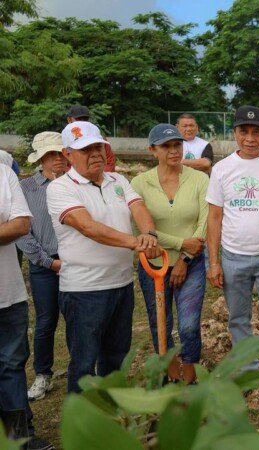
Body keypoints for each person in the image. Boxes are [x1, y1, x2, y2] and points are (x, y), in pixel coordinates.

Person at [47, 121, 162, 394]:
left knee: (116, 358)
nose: (95, 153)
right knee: (84, 363)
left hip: (121, 286)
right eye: (86, 149)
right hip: (84, 290)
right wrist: (136, 242)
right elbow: (88, 227)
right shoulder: (61, 188)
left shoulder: (117, 180)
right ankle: (84, 425)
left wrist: (150, 234)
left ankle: (112, 415)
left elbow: (138, 207)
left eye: (98, 146)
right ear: (67, 154)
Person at [206, 106, 259, 410]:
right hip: (233, 257)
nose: (250, 138)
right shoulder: (223, 169)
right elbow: (214, 218)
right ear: (235, 134)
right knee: (238, 319)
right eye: (244, 131)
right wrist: (214, 261)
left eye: (256, 132)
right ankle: (248, 373)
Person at [132, 124, 209, 384]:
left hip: (192, 263)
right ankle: (170, 372)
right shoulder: (140, 183)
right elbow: (143, 230)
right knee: (160, 322)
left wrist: (185, 258)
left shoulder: (199, 179)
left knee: (188, 324)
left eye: (177, 145)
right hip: (154, 264)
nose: (174, 151)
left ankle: (190, 376)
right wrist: (180, 242)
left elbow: (205, 222)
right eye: (166, 146)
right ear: (153, 150)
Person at [0, 163, 55, 450]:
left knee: (11, 366)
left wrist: (9, 227)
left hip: (7, 293)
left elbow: (21, 224)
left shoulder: (3, 172)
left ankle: (18, 439)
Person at [16, 132, 67, 401]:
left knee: (78, 318)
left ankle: (81, 369)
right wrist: (48, 261)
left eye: (61, 153)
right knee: (47, 321)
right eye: (52, 155)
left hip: (76, 261)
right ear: (42, 159)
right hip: (43, 264)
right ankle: (43, 374)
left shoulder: (74, 183)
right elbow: (23, 232)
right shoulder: (27, 188)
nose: (58, 159)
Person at [67, 105, 116, 172]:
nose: (82, 122)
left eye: (85, 119)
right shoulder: (65, 140)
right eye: (78, 119)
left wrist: (98, 177)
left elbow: (110, 162)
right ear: (69, 120)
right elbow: (63, 166)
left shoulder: (99, 138)